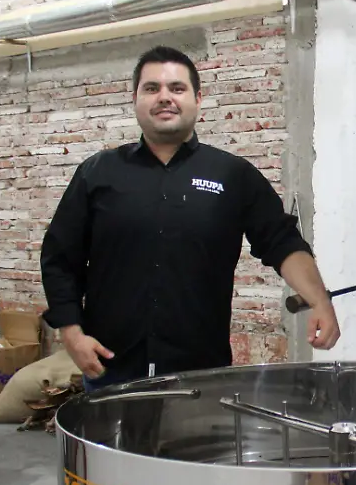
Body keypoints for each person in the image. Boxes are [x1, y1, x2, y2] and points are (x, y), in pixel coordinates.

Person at [40, 45, 340, 390]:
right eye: (152, 88)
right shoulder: (97, 174)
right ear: (135, 99)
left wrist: (319, 300)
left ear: (197, 99)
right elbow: (60, 258)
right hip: (111, 370)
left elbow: (283, 242)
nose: (164, 97)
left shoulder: (233, 175)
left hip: (200, 375)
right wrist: (71, 333)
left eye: (176, 88)